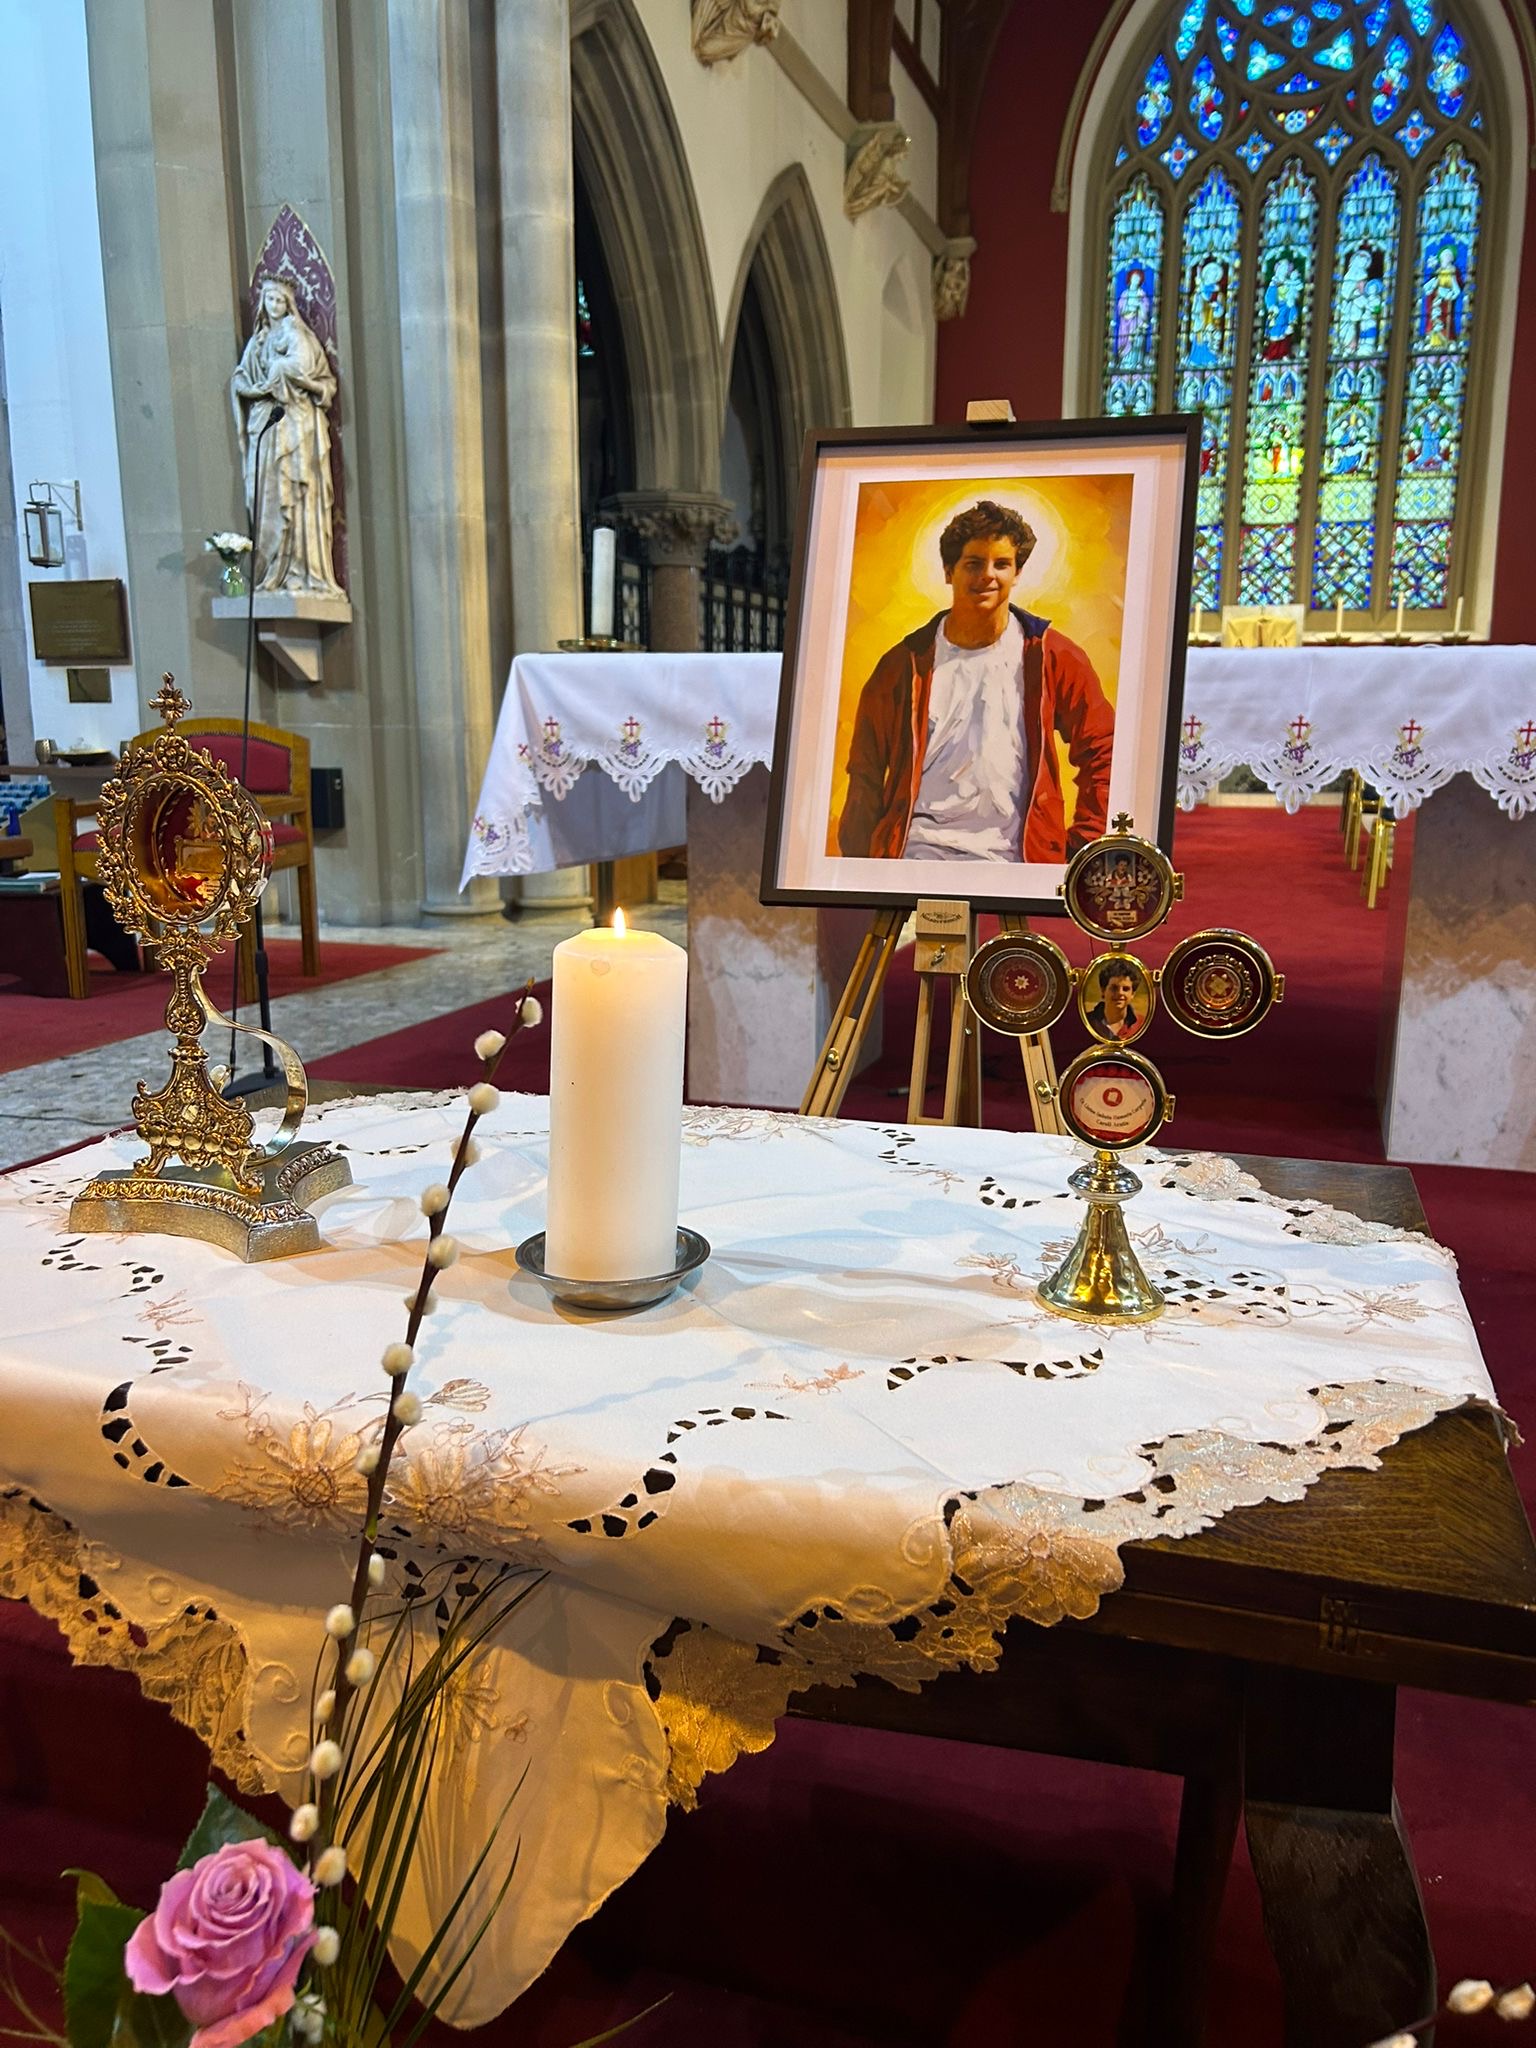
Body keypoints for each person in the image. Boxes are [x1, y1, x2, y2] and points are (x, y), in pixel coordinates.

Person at [837, 501, 1115, 864]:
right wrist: (858, 868)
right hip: (916, 856)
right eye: (973, 564)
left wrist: (1084, 845)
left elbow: (1103, 749)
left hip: (1018, 860)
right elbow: (866, 773)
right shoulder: (902, 666)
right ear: (949, 571)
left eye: (1002, 564)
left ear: (1017, 572)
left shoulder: (1052, 655)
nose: (988, 575)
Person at [230, 275, 344, 598]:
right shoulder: (258, 342)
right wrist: (252, 388)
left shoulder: (299, 336)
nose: (275, 305)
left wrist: (285, 376)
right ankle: (272, 568)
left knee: (296, 493)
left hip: (295, 424)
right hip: (266, 426)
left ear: (288, 304)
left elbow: (313, 375)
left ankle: (301, 568)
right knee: (266, 496)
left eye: (280, 300)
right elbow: (241, 377)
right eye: (270, 299)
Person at [1086, 958, 1142, 1041]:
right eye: (1114, 988)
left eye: (1126, 989)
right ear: (1103, 991)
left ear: (1132, 994)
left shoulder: (1141, 1024)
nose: (1120, 993)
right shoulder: (1087, 1021)